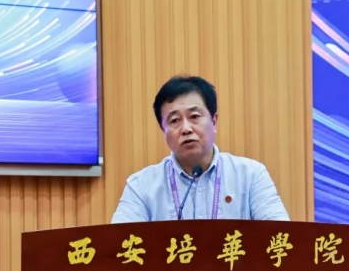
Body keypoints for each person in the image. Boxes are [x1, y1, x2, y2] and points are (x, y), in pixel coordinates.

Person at [111, 75, 290, 223]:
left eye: (194, 116)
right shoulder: (141, 186)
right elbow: (119, 245)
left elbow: (280, 236)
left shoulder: (251, 176)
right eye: (175, 120)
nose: (186, 128)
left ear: (214, 121)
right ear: (163, 130)